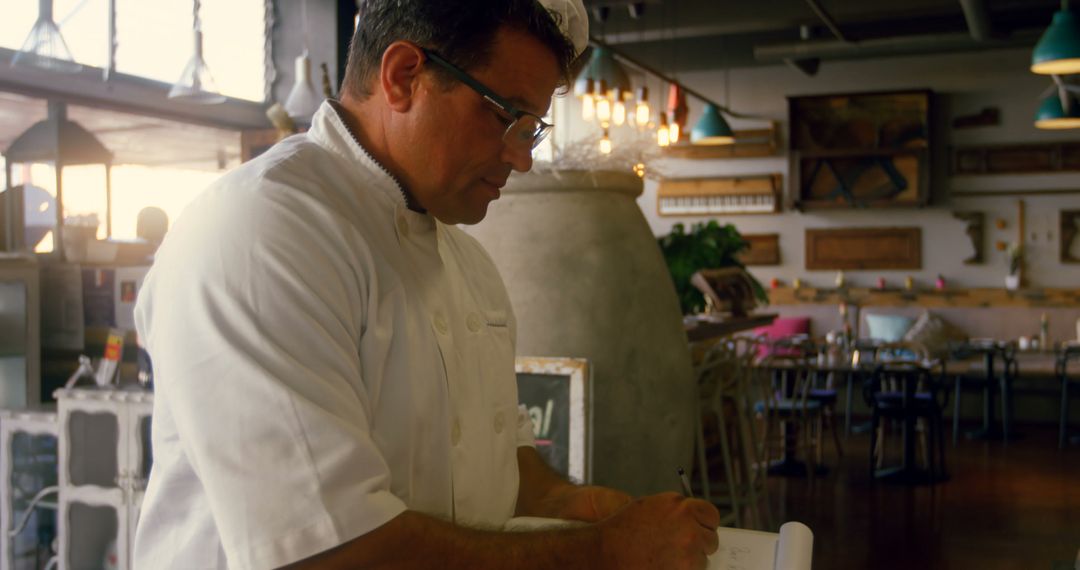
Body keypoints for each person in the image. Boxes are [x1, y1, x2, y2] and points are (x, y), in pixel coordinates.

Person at [133, 1, 720, 568]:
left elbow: (495, 461)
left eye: (532, 128)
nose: (521, 159)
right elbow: (326, 553)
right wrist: (604, 554)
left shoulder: (469, 264)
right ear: (404, 76)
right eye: (506, 115)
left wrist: (564, 503)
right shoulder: (262, 232)